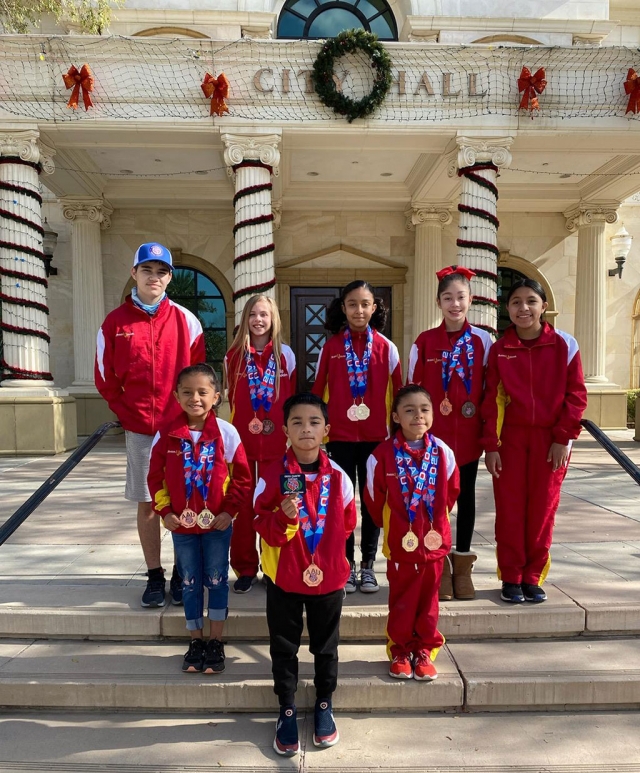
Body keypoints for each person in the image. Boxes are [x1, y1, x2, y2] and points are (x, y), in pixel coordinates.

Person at [95, 243, 205, 608]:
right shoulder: (115, 323)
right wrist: (128, 415)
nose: (154, 277)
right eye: (147, 270)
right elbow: (104, 376)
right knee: (147, 504)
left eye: (161, 271)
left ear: (170, 277)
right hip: (140, 428)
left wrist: (193, 417)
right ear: (134, 273)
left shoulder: (187, 320)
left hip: (179, 428)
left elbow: (200, 376)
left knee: (183, 500)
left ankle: (183, 573)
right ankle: (155, 575)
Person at [254, 392, 356, 756]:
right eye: (297, 422)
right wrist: (284, 519)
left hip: (327, 579)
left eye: (314, 422)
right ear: (285, 430)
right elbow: (260, 523)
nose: (306, 429)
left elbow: (347, 526)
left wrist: (323, 556)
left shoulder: (341, 477)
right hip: (284, 578)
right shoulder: (271, 474)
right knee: (284, 647)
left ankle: (325, 705)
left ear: (326, 430)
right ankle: (286, 707)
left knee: (326, 647)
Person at [482, 278, 587, 604]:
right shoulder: (500, 348)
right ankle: (511, 575)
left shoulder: (564, 345)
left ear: (543, 306)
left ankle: (532, 576)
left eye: (530, 301)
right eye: (515, 302)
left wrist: (562, 438)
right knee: (510, 510)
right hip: (511, 440)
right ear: (507, 309)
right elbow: (492, 400)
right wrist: (492, 445)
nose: (523, 308)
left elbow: (576, 396)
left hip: (550, 441)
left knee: (542, 509)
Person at [147, 363, 252, 673]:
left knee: (217, 579)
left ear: (216, 396)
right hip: (182, 525)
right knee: (190, 582)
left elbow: (242, 478)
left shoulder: (227, 432)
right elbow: (154, 477)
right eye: (187, 392)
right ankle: (196, 640)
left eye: (203, 392)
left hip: (217, 524)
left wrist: (228, 511)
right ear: (176, 396)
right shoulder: (166, 433)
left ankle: (216, 640)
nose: (195, 398)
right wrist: (165, 512)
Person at [407, 266, 492, 600]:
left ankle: (463, 568)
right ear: (438, 302)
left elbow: (490, 391)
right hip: (433, 440)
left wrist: (489, 437)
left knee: (467, 498)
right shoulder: (425, 342)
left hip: (469, 436)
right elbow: (413, 391)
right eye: (448, 298)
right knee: (434, 502)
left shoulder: (484, 341)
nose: (454, 304)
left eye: (460, 297)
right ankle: (437, 564)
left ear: (470, 300)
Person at [312, 280, 402, 594]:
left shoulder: (387, 348)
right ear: (343, 308)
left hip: (377, 439)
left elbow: (400, 394)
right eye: (352, 304)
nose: (359, 310)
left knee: (373, 503)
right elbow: (317, 392)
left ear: (374, 308)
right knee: (342, 502)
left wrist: (399, 436)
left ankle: (367, 566)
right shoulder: (332, 347)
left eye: (365, 304)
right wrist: (315, 432)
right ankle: (346, 565)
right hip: (338, 438)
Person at [365, 385, 460, 680]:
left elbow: (452, 491)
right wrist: (396, 525)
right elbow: (372, 496)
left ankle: (425, 650)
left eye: (424, 409)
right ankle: (400, 650)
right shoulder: (380, 455)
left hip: (434, 543)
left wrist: (433, 523)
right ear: (395, 416)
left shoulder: (443, 452)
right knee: (402, 599)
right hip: (400, 544)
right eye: (409, 410)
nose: (418, 415)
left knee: (429, 600)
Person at [224, 295, 297, 593]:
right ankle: (244, 567)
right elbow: (230, 399)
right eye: (252, 314)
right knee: (241, 507)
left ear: (273, 319)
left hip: (277, 446)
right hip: (242, 444)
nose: (258, 320)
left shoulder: (286, 355)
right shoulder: (233, 356)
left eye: (264, 314)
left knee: (271, 507)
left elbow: (290, 401)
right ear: (245, 319)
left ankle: (271, 566)